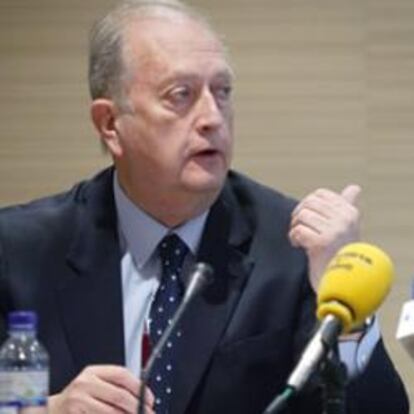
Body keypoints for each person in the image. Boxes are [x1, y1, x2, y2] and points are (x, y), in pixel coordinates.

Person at [0, 1, 408, 413]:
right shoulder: (19, 252)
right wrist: (43, 409)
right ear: (110, 124)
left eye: (222, 92)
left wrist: (345, 315)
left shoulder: (294, 248)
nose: (212, 117)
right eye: (181, 95)